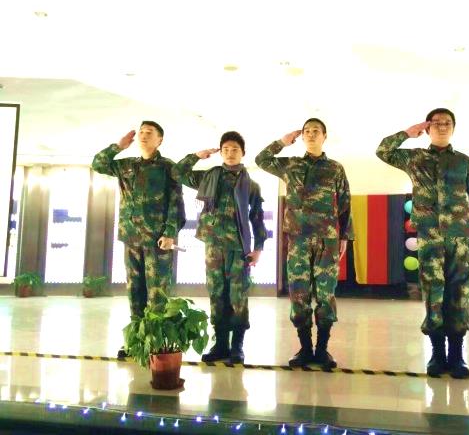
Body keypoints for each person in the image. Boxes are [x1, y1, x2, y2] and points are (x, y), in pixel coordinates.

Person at [376, 108, 469, 379]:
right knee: (433, 294)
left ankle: (457, 356)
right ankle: (437, 354)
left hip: (460, 238)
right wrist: (407, 133)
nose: (442, 126)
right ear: (427, 128)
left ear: (453, 128)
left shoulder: (463, 162)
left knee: (460, 295)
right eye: (436, 122)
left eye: (447, 122)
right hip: (429, 238)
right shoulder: (415, 158)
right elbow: (383, 151)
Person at [255, 118, 354, 368]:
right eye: (306, 131)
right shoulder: (291, 165)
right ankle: (305, 348)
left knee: (325, 295)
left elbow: (345, 202)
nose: (311, 134)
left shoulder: (335, 168)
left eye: (315, 131)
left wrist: (344, 236)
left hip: (327, 241)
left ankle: (322, 349)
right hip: (298, 239)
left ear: (324, 136)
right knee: (299, 294)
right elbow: (261, 159)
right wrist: (281, 142)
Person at [91, 121, 186, 359]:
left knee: (157, 294)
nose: (143, 135)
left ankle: (156, 343)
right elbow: (98, 164)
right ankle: (136, 342)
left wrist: (170, 233)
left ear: (159, 140)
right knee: (135, 292)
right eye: (141, 132)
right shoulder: (127, 165)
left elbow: (176, 202)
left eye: (149, 133)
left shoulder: (168, 167)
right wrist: (118, 147)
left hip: (157, 240)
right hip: (131, 238)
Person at [172, 131, 267, 364]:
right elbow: (177, 172)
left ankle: (237, 346)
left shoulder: (251, 186)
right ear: (221, 152)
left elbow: (257, 217)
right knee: (217, 295)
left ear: (243, 153)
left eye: (235, 149)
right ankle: (221, 344)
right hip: (213, 246)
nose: (230, 153)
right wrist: (197, 156)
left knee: (238, 297)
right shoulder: (209, 177)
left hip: (239, 249)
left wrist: (259, 247)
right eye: (225, 149)